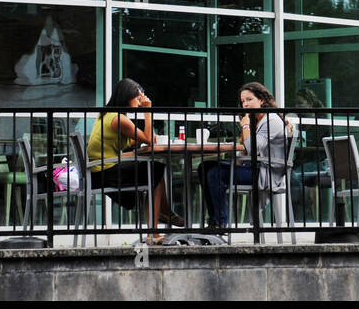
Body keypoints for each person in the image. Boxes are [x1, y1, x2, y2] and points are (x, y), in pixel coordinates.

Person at [86, 79, 185, 236]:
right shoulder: (118, 119)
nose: (140, 103)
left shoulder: (108, 116)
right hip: (104, 173)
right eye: (138, 99)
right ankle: (157, 224)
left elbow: (147, 139)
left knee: (155, 171)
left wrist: (147, 137)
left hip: (100, 171)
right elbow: (147, 138)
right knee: (156, 170)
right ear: (127, 96)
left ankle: (162, 215)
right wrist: (148, 111)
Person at [197, 82, 288, 233]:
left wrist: (245, 126)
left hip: (266, 173)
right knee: (204, 167)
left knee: (215, 173)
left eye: (249, 99)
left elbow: (253, 149)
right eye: (243, 101)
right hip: (253, 167)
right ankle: (213, 221)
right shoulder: (256, 119)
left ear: (261, 100)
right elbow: (245, 150)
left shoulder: (270, 119)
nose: (245, 104)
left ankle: (220, 223)